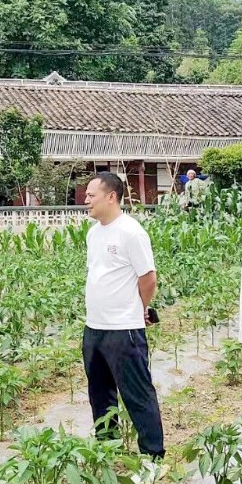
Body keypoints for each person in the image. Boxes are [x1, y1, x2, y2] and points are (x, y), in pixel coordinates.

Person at [82, 172, 165, 462]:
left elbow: (148, 277)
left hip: (124, 329)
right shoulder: (93, 233)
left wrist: (139, 307)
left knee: (137, 394)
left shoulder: (131, 232)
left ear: (111, 197)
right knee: (99, 394)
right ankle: (108, 450)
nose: (86, 199)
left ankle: (152, 458)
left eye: (91, 195)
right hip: (94, 327)